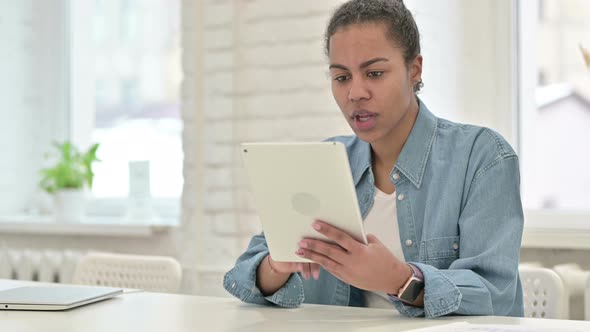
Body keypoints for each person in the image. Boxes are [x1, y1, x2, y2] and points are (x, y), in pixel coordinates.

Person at [223, 0, 524, 318]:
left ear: (414, 69)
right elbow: (243, 278)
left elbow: (494, 296)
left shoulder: (482, 157)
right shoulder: (325, 162)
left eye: (375, 73)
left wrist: (398, 280)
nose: (355, 93)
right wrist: (277, 266)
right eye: (341, 78)